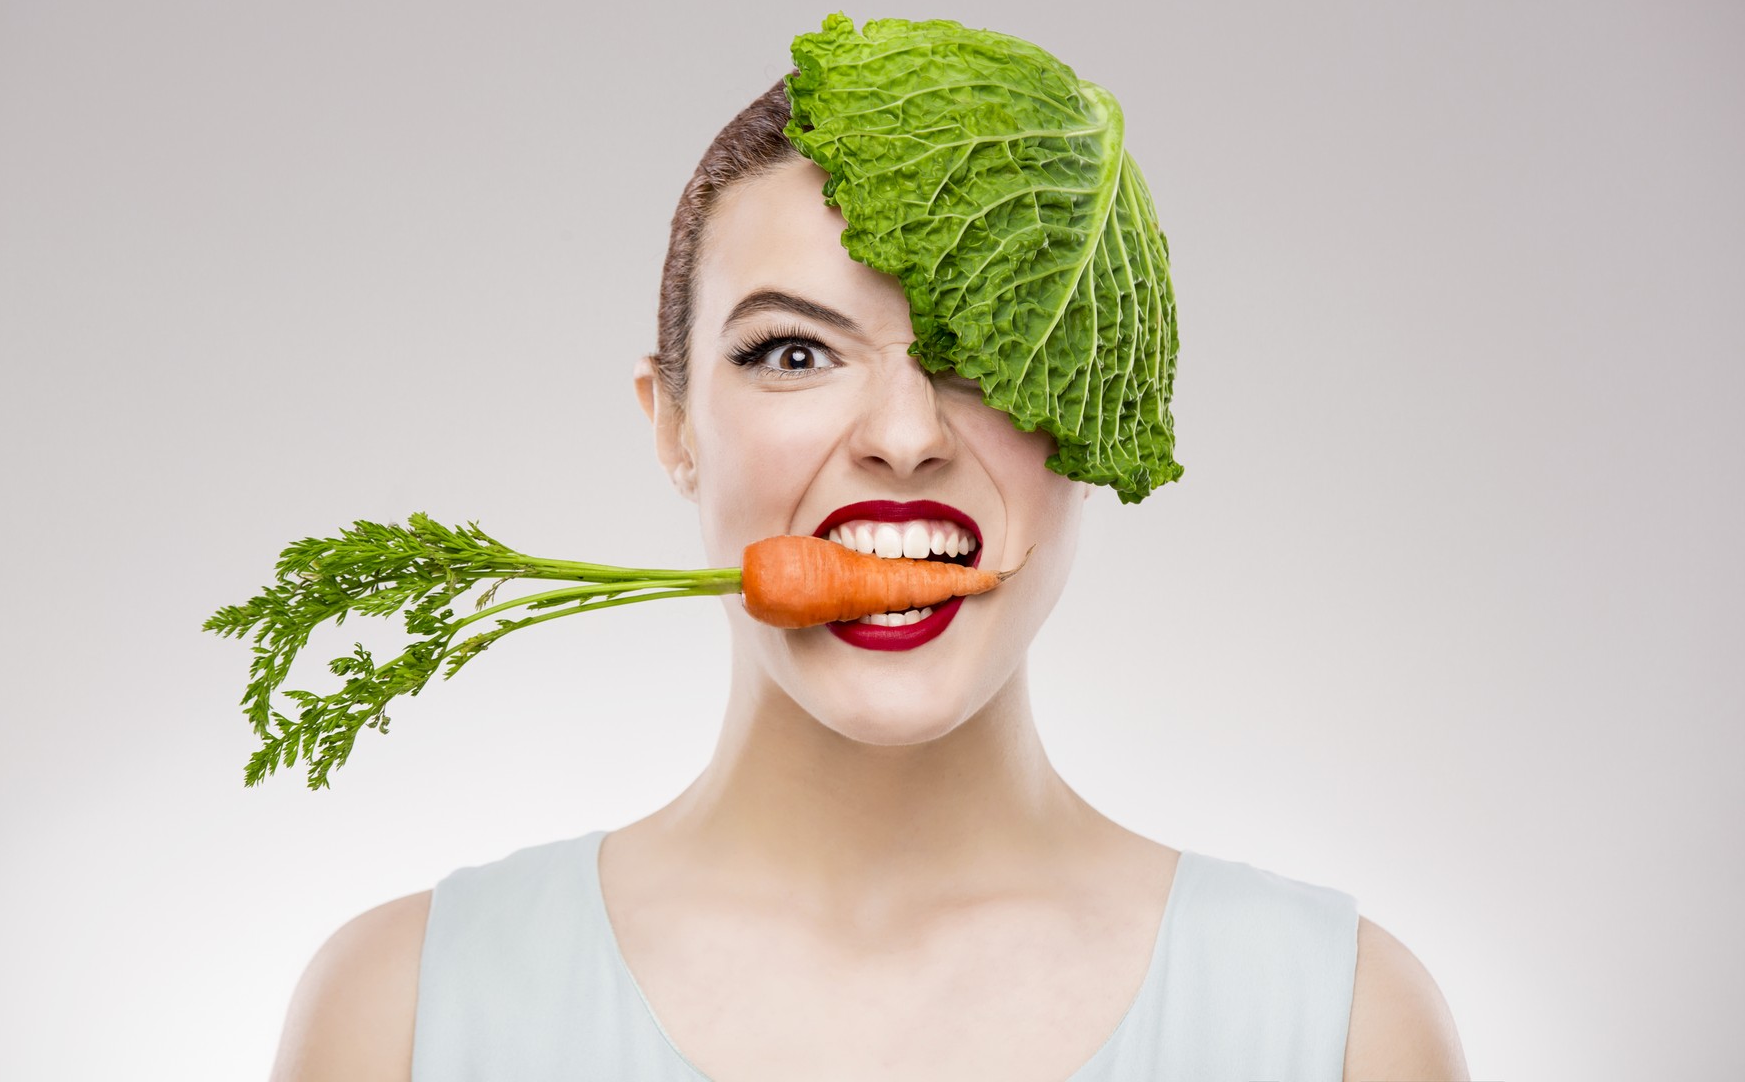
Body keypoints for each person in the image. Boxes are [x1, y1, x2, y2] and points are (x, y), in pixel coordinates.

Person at [267, 77, 1470, 1080]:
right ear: (672, 424)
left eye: (986, 352)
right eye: (794, 352)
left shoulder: (1341, 1024)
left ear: (1093, 421)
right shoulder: (401, 1018)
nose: (904, 434)